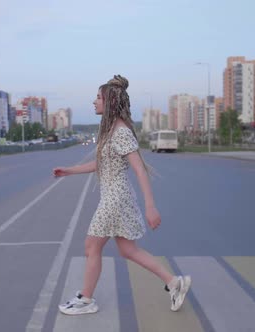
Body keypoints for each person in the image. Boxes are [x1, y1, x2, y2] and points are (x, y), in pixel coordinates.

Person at [53, 75, 191, 315]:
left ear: (110, 102)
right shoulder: (109, 131)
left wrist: (150, 206)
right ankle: (174, 281)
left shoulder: (120, 133)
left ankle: (86, 299)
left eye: (98, 97)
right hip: (115, 197)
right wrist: (69, 171)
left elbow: (139, 169)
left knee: (91, 246)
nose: (93, 102)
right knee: (128, 250)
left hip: (115, 199)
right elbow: (100, 164)